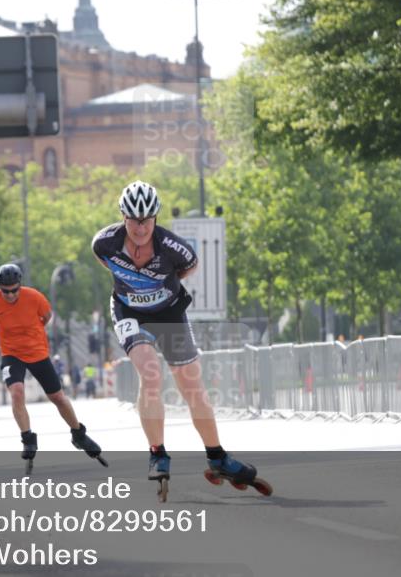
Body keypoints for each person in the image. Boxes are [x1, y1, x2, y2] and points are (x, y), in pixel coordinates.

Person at [91, 180, 270, 498]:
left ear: (156, 217)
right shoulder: (104, 243)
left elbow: (188, 269)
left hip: (169, 312)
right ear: (123, 216)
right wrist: (137, 291)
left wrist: (159, 291)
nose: (140, 227)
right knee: (150, 373)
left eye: (147, 219)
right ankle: (157, 452)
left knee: (192, 387)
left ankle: (217, 456)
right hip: (129, 312)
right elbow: (108, 267)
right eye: (133, 219)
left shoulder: (176, 249)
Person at [0, 262, 106, 472]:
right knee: (17, 393)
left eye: (14, 290)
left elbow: (47, 317)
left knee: (58, 397)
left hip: (38, 352)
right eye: (6, 291)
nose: (10, 295)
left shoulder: (35, 297)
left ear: (19, 285)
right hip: (11, 354)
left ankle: (79, 434)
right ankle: (28, 438)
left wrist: (32, 335)